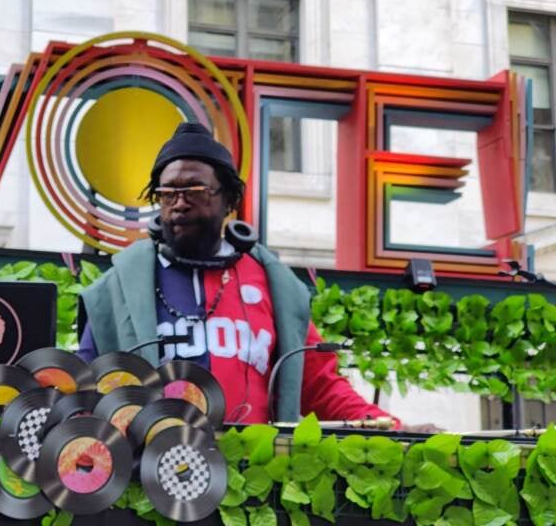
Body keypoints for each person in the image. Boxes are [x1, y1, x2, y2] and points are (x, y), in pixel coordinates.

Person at [77, 122, 398, 426]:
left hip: (252, 474)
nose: (179, 204)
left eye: (195, 191)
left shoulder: (275, 287)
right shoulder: (118, 288)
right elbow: (86, 388)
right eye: (167, 194)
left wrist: (394, 428)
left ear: (228, 200)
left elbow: (321, 388)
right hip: (146, 475)